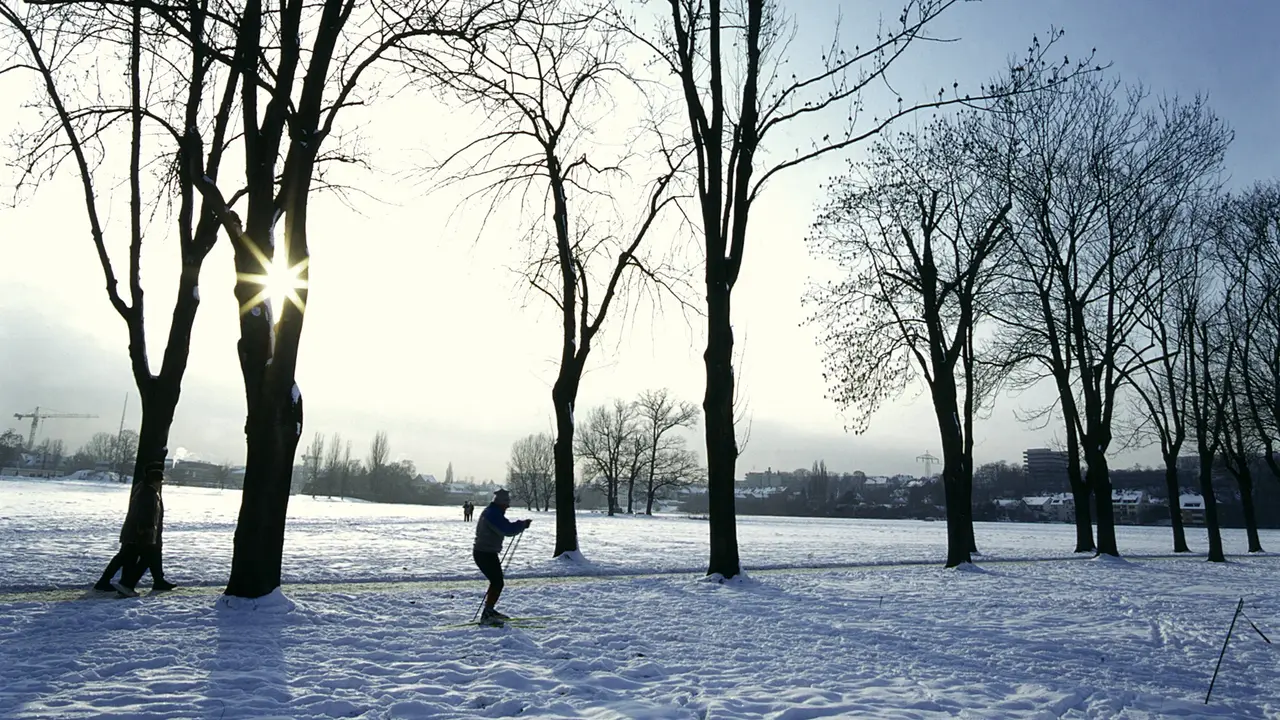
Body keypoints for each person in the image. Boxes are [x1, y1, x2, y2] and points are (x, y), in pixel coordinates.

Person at [107, 464, 174, 596]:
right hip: (143, 534)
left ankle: (129, 583)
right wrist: (146, 529)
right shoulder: (149, 493)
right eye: (160, 481)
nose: (160, 484)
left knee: (137, 558)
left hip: (140, 533)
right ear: (155, 481)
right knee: (145, 559)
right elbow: (145, 513)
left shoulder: (143, 489)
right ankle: (127, 584)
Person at [473, 489, 530, 625]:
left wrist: (520, 525)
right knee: (497, 582)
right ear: (500, 503)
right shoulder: (493, 514)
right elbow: (506, 530)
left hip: (486, 552)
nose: (508, 506)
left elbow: (506, 527)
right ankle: (487, 614)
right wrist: (521, 525)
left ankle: (489, 610)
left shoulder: (492, 512)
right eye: (506, 503)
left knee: (496, 581)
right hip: (484, 553)